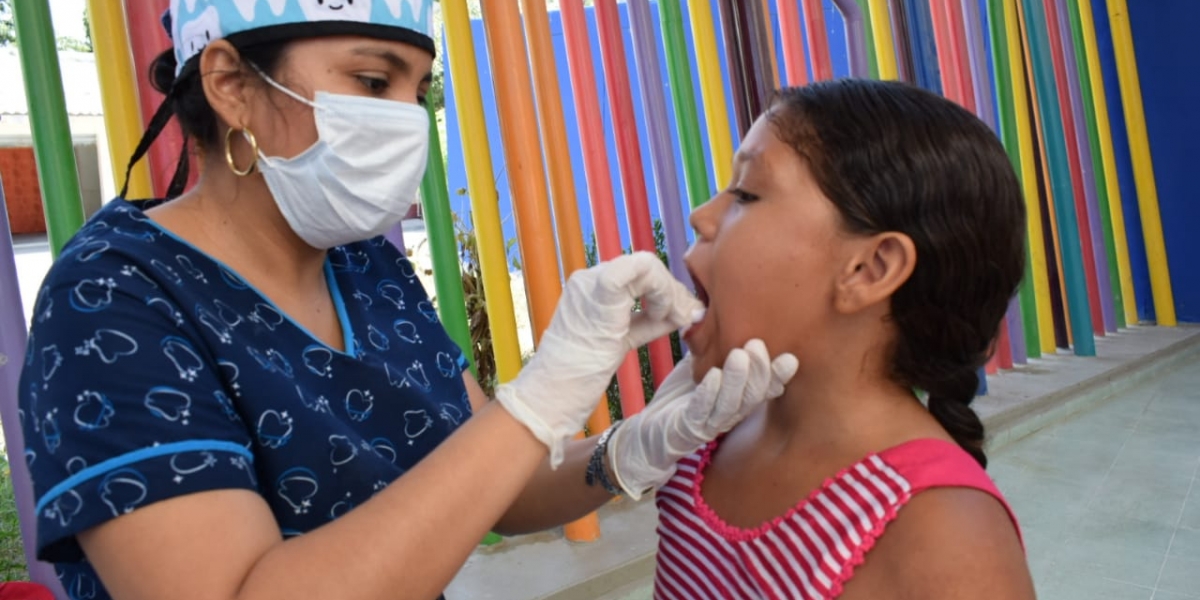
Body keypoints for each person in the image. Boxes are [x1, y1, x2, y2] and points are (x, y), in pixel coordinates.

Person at [17, 3, 796, 599]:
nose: (405, 118)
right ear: (230, 86)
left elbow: (493, 489)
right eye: (370, 81)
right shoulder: (112, 299)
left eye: (417, 90)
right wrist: (539, 398)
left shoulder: (366, 269)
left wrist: (629, 449)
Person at [635, 79, 1037, 599]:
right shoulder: (709, 410)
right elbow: (515, 498)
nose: (701, 216)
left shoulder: (946, 532)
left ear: (868, 268)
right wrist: (615, 448)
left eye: (747, 193)